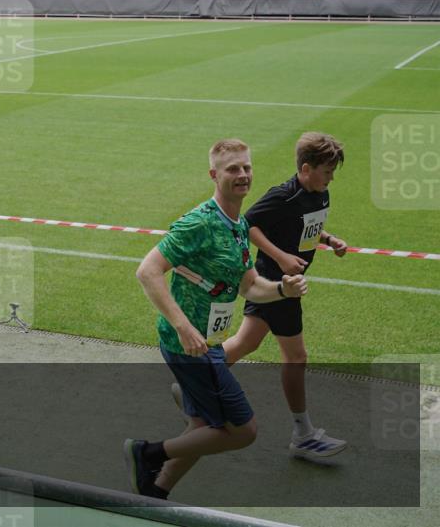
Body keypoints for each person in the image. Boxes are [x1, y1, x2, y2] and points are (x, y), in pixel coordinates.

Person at [125, 139, 307, 499]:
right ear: (214, 174)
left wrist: (283, 290)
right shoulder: (199, 223)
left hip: (208, 343)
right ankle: (146, 452)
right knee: (243, 430)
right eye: (233, 169)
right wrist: (183, 326)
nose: (243, 175)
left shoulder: (238, 225)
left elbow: (250, 287)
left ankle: (155, 490)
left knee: (202, 426)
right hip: (189, 347)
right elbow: (148, 272)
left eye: (247, 167)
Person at [221, 132, 347, 459]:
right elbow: (247, 224)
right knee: (296, 357)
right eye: (327, 172)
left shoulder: (319, 193)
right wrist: (280, 257)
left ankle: (195, 382)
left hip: (282, 281)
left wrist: (329, 239)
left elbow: (306, 226)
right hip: (278, 284)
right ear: (306, 168)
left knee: (245, 343)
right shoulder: (284, 195)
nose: (331, 178)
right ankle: (303, 434)